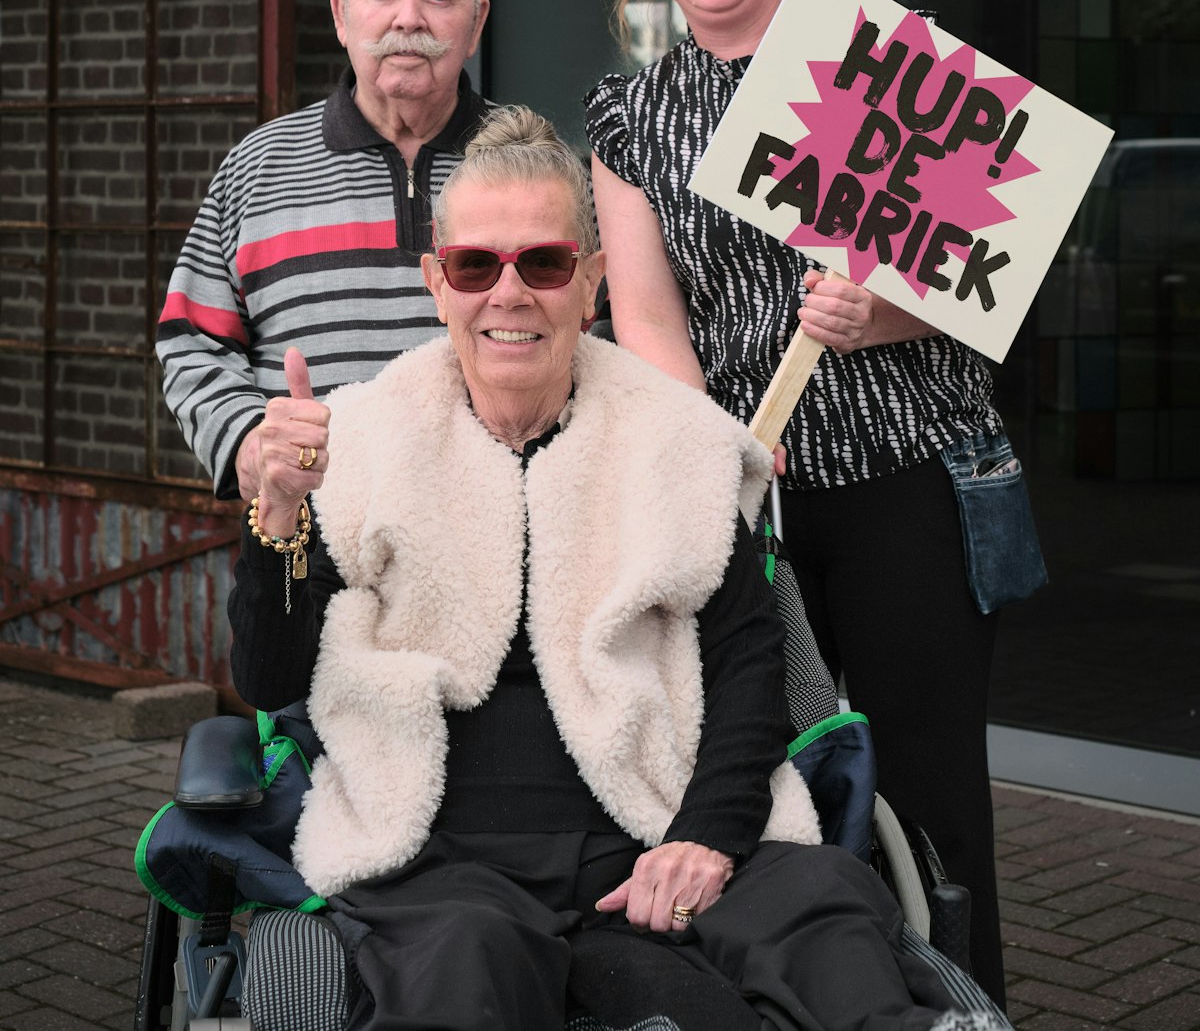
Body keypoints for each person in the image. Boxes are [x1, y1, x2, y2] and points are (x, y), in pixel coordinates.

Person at [227, 105, 1005, 1031]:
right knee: (465, 966)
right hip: (444, 856)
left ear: (589, 283)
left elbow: (752, 670)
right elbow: (269, 679)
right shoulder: (358, 441)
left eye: (544, 263)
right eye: (477, 265)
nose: (509, 294)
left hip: (654, 819)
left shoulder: (677, 441)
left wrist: (706, 840)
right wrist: (276, 515)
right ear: (439, 284)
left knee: (821, 908)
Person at [583, 0, 1009, 1007]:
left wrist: (880, 312)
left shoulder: (883, 60)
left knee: (928, 794)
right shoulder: (633, 117)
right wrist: (718, 461)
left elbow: (981, 271)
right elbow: (650, 323)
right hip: (748, 503)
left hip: (905, 486)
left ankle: (963, 1005)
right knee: (780, 792)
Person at [156, 0, 490, 499]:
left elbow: (598, 338)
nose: (408, 18)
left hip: (499, 536)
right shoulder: (256, 168)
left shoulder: (534, 163)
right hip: (305, 538)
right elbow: (192, 340)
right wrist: (249, 445)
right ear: (341, 13)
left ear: (476, 23)